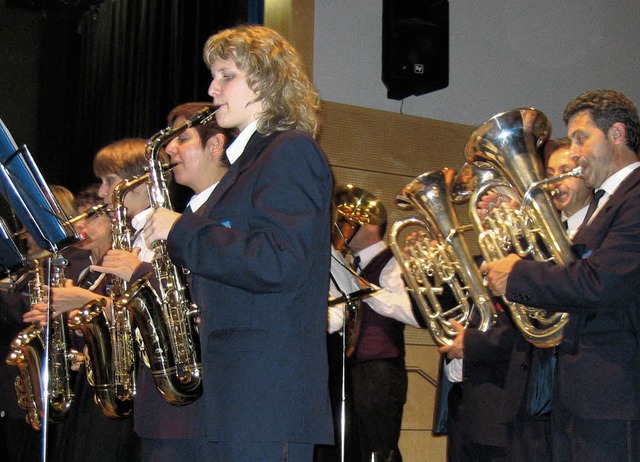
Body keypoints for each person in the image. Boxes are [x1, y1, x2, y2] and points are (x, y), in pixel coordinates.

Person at [143, 24, 334, 461]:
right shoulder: (249, 163)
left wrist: (182, 230)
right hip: (238, 391)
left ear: (268, 80)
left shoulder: (290, 150)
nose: (212, 88)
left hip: (265, 396)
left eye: (226, 74)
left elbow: (277, 261)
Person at [482, 89, 640, 461]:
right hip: (582, 396)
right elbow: (565, 269)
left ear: (617, 134)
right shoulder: (606, 202)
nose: (574, 153)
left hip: (613, 398)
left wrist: (517, 274)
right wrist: (519, 234)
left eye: (581, 139)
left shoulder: (633, 198)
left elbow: (598, 283)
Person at [90, 102, 235, 460]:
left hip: (199, 403)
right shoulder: (187, 214)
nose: (171, 150)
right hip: (162, 400)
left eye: (182, 139)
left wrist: (137, 273)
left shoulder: (224, 210)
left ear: (216, 145)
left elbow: (204, 290)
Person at [23, 184, 138, 462]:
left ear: (114, 220)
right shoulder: (82, 269)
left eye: (93, 217)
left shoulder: (122, 264)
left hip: (114, 388)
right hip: (83, 387)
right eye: (81, 217)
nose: (83, 226)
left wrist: (80, 301)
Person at [324, 186, 419, 462]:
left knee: (378, 450)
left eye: (348, 222)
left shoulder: (393, 262)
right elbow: (339, 317)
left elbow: (411, 311)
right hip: (351, 370)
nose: (341, 228)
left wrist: (364, 288)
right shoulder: (353, 265)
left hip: (380, 371)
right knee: (356, 450)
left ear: (371, 226)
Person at [544, 137, 592, 238]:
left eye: (566, 171)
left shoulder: (605, 225)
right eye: (550, 174)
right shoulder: (543, 231)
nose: (554, 181)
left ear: (588, 176)